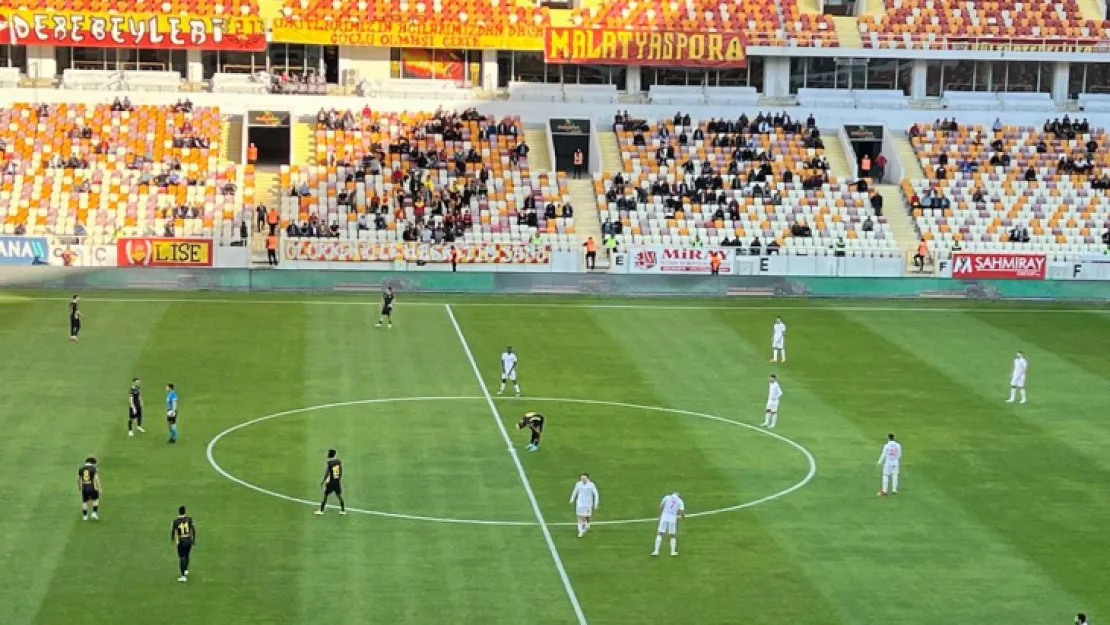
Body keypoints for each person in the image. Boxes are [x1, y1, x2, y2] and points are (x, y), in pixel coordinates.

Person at [652, 491, 685, 557]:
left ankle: (656, 551)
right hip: (672, 519)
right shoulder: (680, 501)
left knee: (660, 533)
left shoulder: (666, 497)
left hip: (664, 517)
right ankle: (672, 552)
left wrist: (659, 515)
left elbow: (660, 506)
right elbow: (681, 511)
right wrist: (682, 517)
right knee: (672, 535)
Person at [315, 449, 346, 515]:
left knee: (325, 495)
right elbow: (340, 471)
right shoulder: (338, 462)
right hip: (337, 482)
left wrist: (323, 481)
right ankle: (343, 510)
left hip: (331, 482)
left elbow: (327, 473)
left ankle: (321, 510)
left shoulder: (329, 463)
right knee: (339, 496)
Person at [569, 473, 600, 538]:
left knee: (587, 516)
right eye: (582, 478)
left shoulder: (591, 485)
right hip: (580, 503)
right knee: (579, 517)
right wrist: (572, 499)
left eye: (584, 478)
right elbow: (575, 491)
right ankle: (580, 531)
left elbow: (596, 494)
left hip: (588, 503)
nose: (583, 479)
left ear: (587, 478)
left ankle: (587, 525)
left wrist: (596, 504)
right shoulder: (578, 484)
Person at [171, 505, 196, 582]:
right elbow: (193, 530)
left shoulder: (176, 521)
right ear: (185, 512)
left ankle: (183, 576)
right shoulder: (189, 519)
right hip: (188, 539)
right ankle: (185, 569)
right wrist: (193, 540)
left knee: (182, 557)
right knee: (187, 555)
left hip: (181, 541)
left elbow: (173, 531)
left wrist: (172, 539)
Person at [77, 457, 101, 521]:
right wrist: (99, 487)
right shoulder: (94, 469)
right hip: (92, 486)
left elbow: (78, 479)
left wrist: (79, 487)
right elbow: (96, 478)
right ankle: (94, 512)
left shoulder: (81, 469)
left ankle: (85, 516)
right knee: (95, 499)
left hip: (84, 486)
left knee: (84, 501)